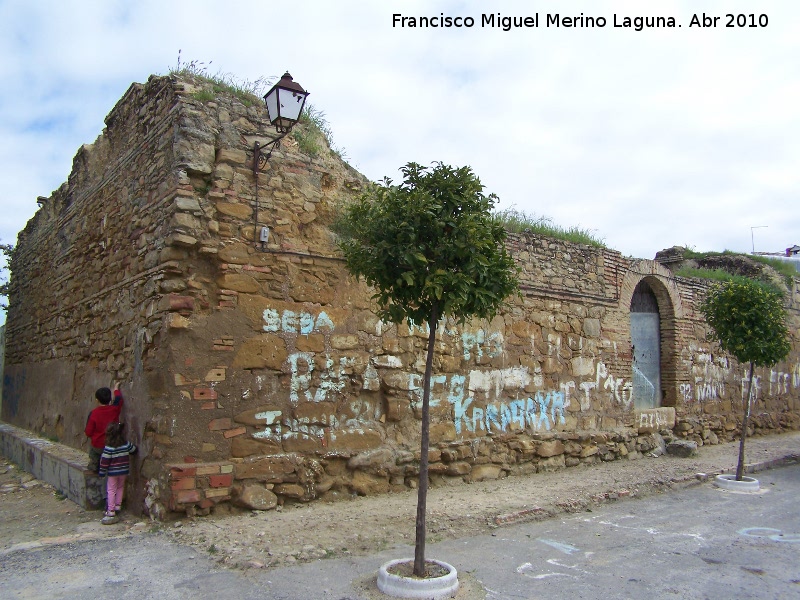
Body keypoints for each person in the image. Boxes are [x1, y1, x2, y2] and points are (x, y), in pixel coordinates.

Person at [98, 421, 137, 525]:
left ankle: (111, 511)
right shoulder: (125, 445)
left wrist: (102, 472)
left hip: (112, 472)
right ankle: (117, 505)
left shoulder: (109, 448)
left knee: (111, 490)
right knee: (120, 487)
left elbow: (104, 462)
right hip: (123, 471)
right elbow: (133, 449)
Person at [84, 384, 124, 473]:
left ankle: (94, 465)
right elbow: (119, 399)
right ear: (110, 399)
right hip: (113, 444)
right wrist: (116, 389)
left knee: (94, 452)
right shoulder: (114, 409)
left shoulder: (94, 413)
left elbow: (88, 432)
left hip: (98, 445)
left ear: (97, 400)